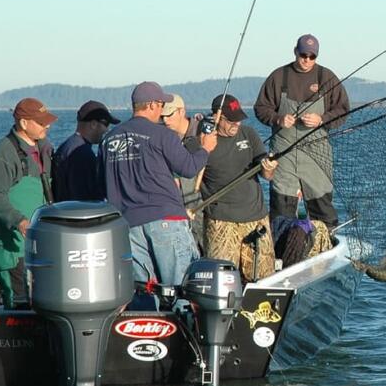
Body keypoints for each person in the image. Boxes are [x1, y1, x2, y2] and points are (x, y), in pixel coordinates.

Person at [102, 81, 218, 291]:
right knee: (182, 287)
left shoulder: (108, 139)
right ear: (152, 105)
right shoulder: (162, 134)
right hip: (166, 220)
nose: (162, 112)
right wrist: (205, 149)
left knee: (146, 290)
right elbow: (189, 168)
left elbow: (102, 184)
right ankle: (185, 323)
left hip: (127, 225)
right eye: (161, 105)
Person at [254, 33, 349, 227]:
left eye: (312, 56)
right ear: (295, 51)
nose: (307, 60)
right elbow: (260, 108)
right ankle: (282, 251)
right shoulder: (278, 76)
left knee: (322, 208)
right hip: (284, 153)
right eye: (303, 55)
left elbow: (343, 110)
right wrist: (278, 119)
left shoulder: (326, 77)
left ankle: (325, 247)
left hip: (316, 154)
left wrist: (322, 119)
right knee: (281, 209)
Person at [0, 97, 57, 308]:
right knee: (18, 301)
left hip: (41, 243)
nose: (47, 125)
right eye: (41, 122)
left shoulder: (45, 149)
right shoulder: (2, 154)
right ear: (23, 123)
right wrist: (19, 221)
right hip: (13, 245)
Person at [200, 93, 278, 280]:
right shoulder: (203, 143)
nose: (237, 124)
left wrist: (269, 167)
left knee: (264, 278)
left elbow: (267, 175)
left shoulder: (248, 134)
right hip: (221, 222)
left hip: (256, 218)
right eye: (231, 120)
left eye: (239, 120)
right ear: (217, 117)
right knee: (223, 280)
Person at [159, 93, 206, 250]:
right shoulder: (163, 137)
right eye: (162, 116)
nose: (165, 120)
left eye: (169, 115)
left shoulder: (202, 132)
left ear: (182, 111)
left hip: (203, 205)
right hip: (177, 209)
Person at [52, 100, 121, 202]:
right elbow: (84, 197)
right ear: (93, 124)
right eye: (106, 124)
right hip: (77, 213)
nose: (107, 130)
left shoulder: (67, 146)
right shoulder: (82, 154)